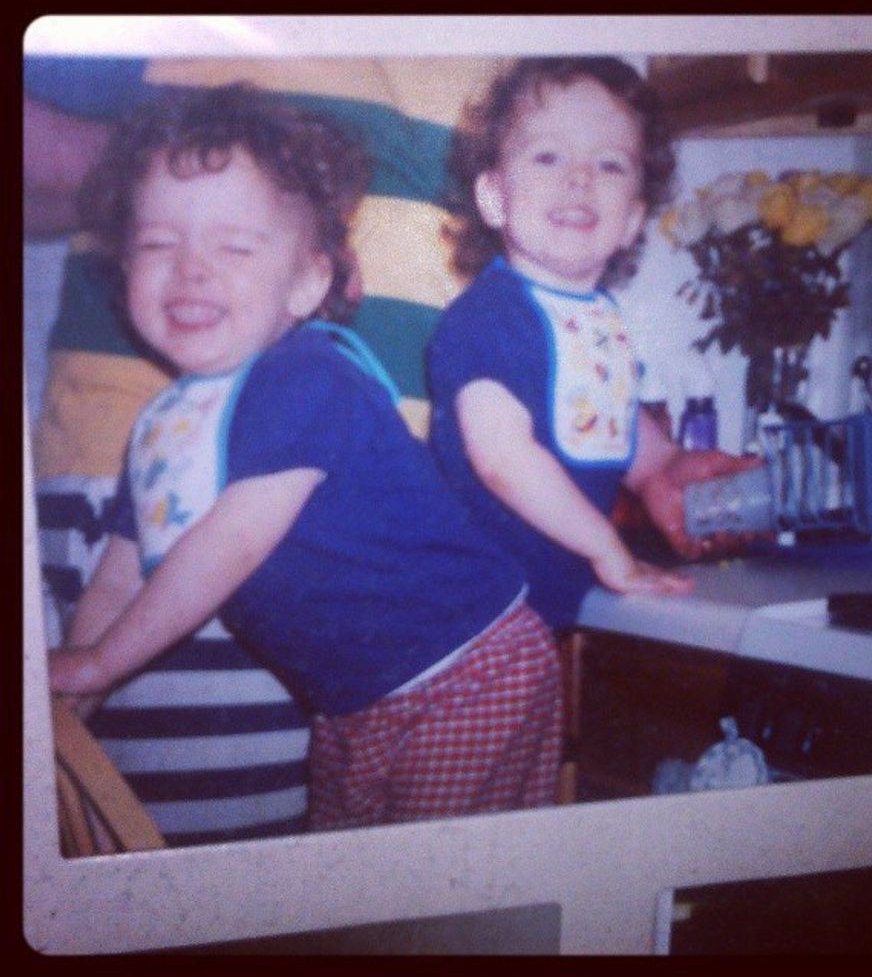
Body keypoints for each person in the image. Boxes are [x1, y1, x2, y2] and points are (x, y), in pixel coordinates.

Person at [47, 83, 562, 831]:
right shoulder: (161, 428)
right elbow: (119, 575)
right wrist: (75, 696)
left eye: (234, 246)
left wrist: (102, 663)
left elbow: (233, 541)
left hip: (467, 673)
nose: (191, 269)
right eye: (158, 244)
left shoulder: (310, 378)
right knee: (348, 884)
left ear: (309, 281)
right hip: (354, 703)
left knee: (433, 887)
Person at [428, 57, 760, 630]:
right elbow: (503, 459)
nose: (580, 177)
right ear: (495, 198)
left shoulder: (598, 321)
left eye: (609, 164)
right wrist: (607, 546)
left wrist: (664, 467)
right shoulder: (488, 318)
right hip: (468, 618)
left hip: (534, 612)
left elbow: (604, 416)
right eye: (548, 156)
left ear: (631, 219)